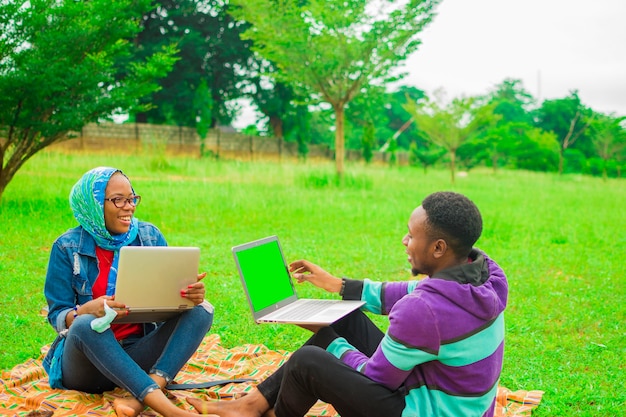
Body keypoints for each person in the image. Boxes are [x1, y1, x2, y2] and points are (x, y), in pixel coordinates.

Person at [188, 191, 508, 417]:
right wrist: (337, 285)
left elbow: (376, 377)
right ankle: (251, 405)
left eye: (411, 235)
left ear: (438, 248)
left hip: (421, 410)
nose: (405, 241)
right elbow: (407, 291)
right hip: (457, 405)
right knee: (347, 321)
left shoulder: (424, 310)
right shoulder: (484, 276)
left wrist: (328, 340)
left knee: (309, 361)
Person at [43, 167, 217, 417]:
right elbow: (57, 314)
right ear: (92, 204)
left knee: (202, 309)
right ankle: (168, 409)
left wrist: (185, 296)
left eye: (132, 198)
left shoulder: (148, 236)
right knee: (86, 325)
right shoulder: (66, 247)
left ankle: (142, 398)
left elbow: (164, 307)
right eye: (118, 200)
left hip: (136, 355)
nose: (129, 207)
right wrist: (84, 310)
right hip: (86, 368)